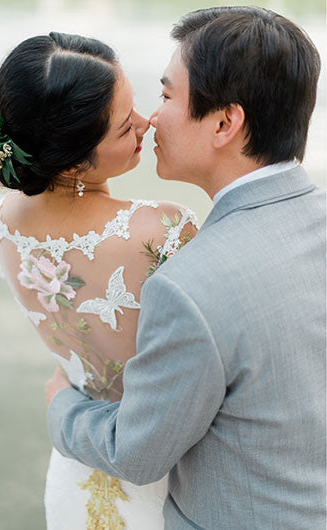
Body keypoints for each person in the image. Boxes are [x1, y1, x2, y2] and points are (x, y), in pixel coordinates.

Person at [45, 7, 325, 529]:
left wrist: (62, 405)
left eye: (169, 95)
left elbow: (135, 453)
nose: (153, 117)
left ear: (224, 123)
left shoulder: (189, 286)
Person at [0, 32, 197, 528]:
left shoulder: (0, 220)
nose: (147, 123)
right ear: (76, 161)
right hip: (165, 478)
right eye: (125, 127)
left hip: (74, 462)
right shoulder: (164, 228)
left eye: (137, 105)